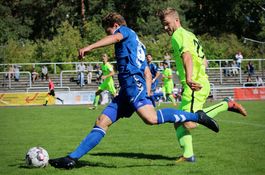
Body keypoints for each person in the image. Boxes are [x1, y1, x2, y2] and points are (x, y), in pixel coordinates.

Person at [49, 12, 219, 169]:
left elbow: (116, 39)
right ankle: (72, 159)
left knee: (151, 118)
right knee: (102, 121)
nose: (110, 35)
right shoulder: (139, 43)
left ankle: (197, 116)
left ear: (115, 26)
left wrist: (89, 47)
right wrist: (148, 91)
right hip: (128, 88)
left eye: (109, 31)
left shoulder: (125, 31)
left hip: (132, 82)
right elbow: (146, 71)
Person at [158, 7, 247, 163]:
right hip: (200, 83)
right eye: (163, 25)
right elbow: (204, 61)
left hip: (194, 86)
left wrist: (190, 78)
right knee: (179, 121)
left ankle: (226, 104)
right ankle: (188, 155)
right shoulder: (190, 35)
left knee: (189, 122)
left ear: (176, 20)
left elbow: (187, 57)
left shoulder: (177, 35)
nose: (165, 28)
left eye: (167, 23)